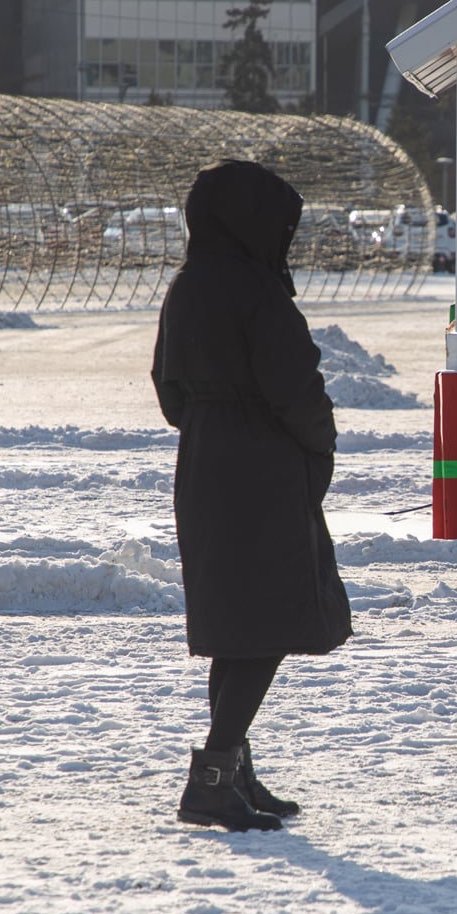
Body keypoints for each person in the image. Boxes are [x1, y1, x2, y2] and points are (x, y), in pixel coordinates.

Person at [152, 160, 350, 833]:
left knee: (236, 625)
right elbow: (297, 389)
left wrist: (214, 420)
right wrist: (318, 445)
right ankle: (211, 778)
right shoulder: (258, 293)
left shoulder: (187, 287)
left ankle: (232, 770)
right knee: (269, 619)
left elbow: (169, 393)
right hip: (262, 467)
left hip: (205, 461)